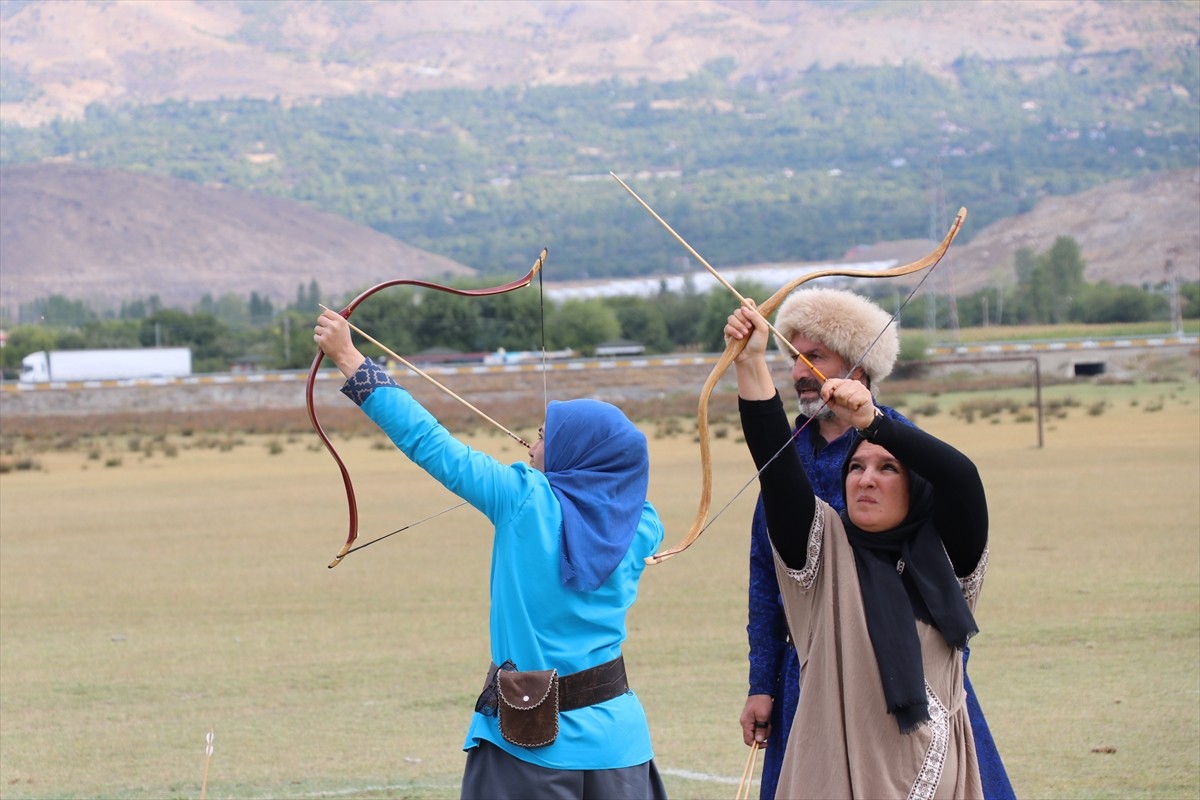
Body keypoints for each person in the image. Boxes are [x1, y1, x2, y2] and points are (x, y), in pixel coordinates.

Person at [314, 309, 668, 800]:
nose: (531, 444)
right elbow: (623, 484)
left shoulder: (523, 499)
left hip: (530, 744)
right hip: (620, 743)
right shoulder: (643, 526)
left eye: (544, 436)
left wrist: (349, 357)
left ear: (572, 452)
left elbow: (429, 441)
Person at [736, 288, 1013, 800]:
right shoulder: (796, 480)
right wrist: (762, 681)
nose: (799, 372)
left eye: (815, 357)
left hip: (915, 682)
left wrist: (872, 425)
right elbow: (766, 575)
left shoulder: (906, 451)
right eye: (793, 357)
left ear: (857, 366)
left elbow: (961, 482)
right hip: (818, 667)